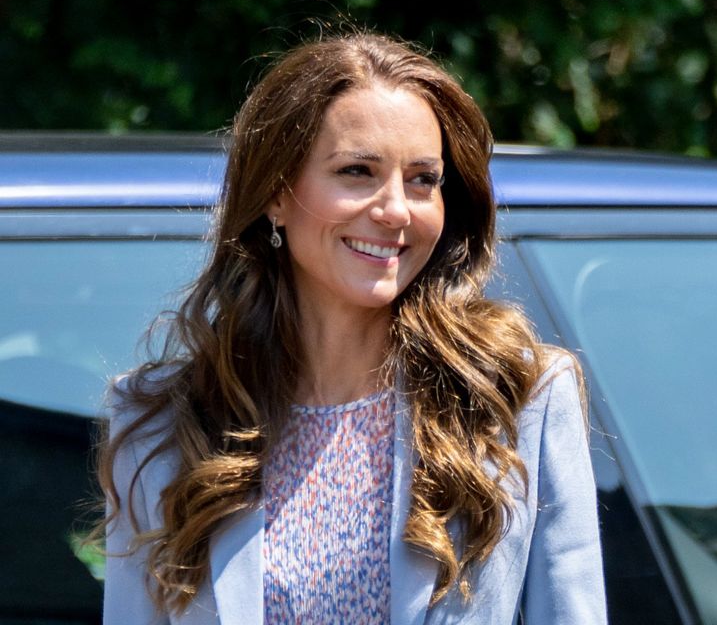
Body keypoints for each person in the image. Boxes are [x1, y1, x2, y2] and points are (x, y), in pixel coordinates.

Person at [98, 33, 606, 624]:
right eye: (357, 171)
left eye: (422, 179)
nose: (395, 209)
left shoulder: (518, 399)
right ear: (277, 195)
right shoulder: (160, 422)